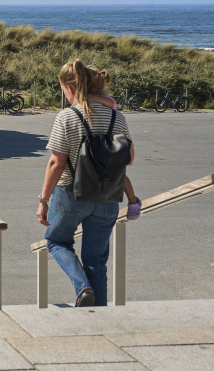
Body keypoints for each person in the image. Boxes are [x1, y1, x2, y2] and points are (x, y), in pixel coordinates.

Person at [37, 60, 136, 307]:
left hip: (71, 193)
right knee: (96, 262)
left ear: (70, 88)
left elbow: (56, 163)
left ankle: (83, 289)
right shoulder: (117, 117)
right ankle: (99, 316)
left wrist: (43, 200)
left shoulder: (67, 116)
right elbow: (129, 159)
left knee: (57, 242)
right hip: (107, 194)